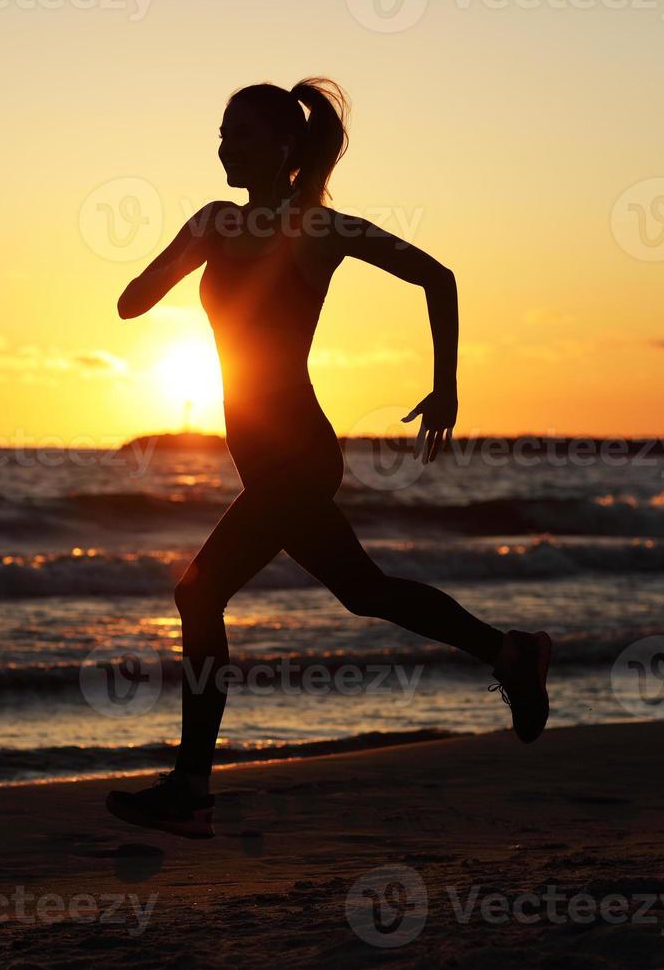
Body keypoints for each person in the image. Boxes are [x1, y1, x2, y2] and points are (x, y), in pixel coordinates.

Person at [107, 78, 552, 839]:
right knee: (364, 591)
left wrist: (445, 386)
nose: (223, 146)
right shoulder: (214, 222)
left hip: (299, 456)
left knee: (197, 594)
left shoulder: (320, 229)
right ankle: (511, 652)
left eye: (240, 134)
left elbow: (435, 276)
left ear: (283, 147)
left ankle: (191, 788)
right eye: (220, 133)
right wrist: (186, 250)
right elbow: (131, 302)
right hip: (265, 459)